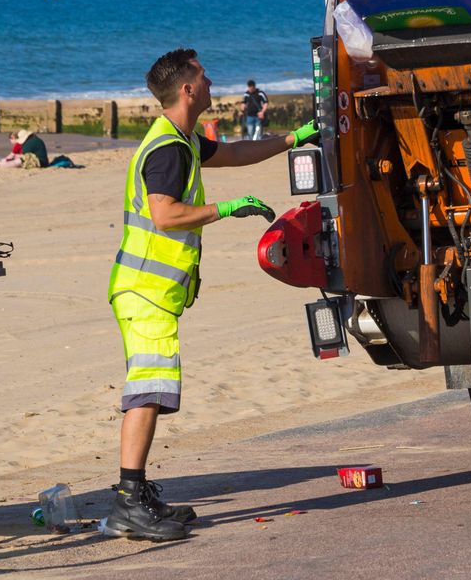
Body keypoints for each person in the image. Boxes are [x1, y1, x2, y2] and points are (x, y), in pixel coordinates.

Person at [104, 48, 317, 540]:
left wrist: (295, 138)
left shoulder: (181, 139)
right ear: (187, 89)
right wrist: (226, 209)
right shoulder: (168, 149)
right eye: (202, 74)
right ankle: (127, 503)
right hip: (145, 291)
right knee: (148, 391)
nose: (210, 79)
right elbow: (165, 214)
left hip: (150, 291)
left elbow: (237, 153)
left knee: (153, 389)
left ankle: (135, 495)